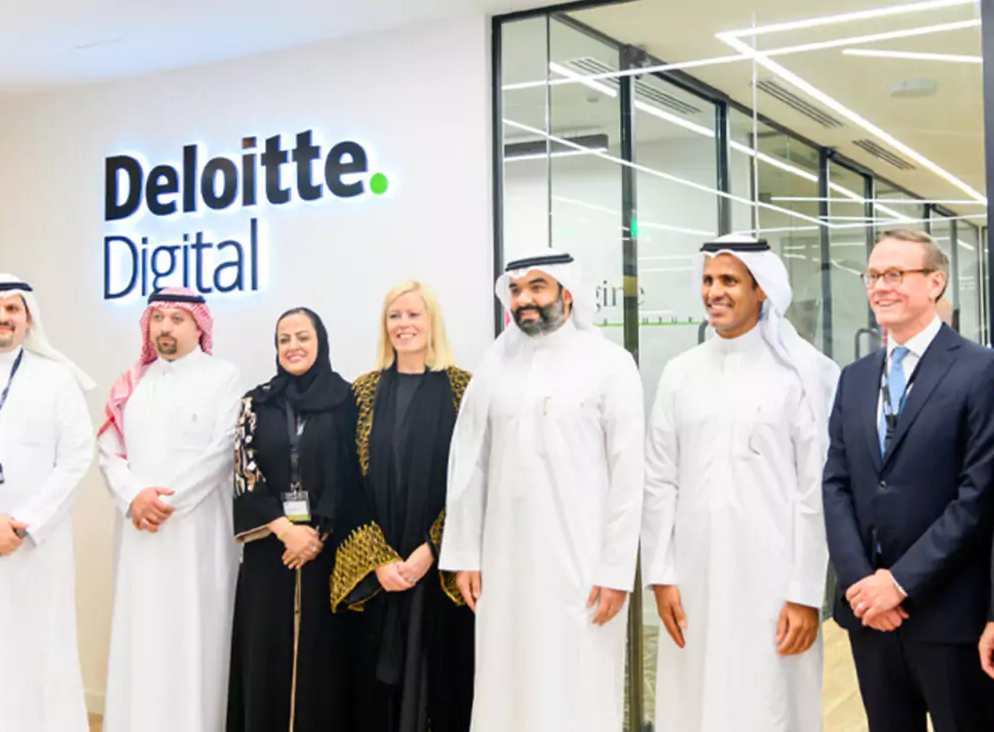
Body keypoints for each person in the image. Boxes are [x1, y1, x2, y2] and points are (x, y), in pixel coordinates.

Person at [438, 250, 645, 732]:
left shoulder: (610, 365)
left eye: (537, 287)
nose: (523, 300)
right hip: (505, 563)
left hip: (582, 564)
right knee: (505, 681)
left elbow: (628, 475)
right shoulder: (496, 365)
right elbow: (469, 464)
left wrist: (617, 571)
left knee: (578, 681)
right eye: (515, 290)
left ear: (567, 295)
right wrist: (465, 555)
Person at [643, 235, 839, 732]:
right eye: (708, 280)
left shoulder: (803, 373)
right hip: (693, 578)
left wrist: (805, 593)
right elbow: (659, 479)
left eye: (729, 280)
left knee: (768, 703)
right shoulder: (680, 373)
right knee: (693, 702)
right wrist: (661, 575)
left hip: (773, 582)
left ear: (761, 289)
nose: (714, 292)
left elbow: (815, 491)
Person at [823, 229, 994, 732]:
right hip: (870, 618)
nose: (881, 286)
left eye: (895, 274)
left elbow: (978, 496)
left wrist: (897, 584)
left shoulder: (980, 371)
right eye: (873, 276)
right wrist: (861, 584)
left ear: (935, 282)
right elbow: (836, 484)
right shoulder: (855, 377)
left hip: (950, 616)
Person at [331, 281, 474, 732]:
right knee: (375, 691)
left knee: (443, 684)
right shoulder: (362, 392)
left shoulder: (464, 389)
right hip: (382, 573)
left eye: (414, 314)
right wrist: (379, 561)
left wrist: (431, 549)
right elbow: (346, 482)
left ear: (432, 322)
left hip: (441, 568)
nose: (403, 324)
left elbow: (473, 480)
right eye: (395, 316)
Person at [98, 287, 243, 732]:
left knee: (196, 636)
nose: (165, 327)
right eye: (158, 318)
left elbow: (224, 450)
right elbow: (108, 449)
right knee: (141, 635)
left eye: (177, 318)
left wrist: (166, 502)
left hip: (198, 534)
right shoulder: (132, 382)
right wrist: (134, 497)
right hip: (140, 532)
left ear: (199, 326)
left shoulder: (224, 376)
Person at [0, 273, 95, 732]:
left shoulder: (57, 379)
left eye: (12, 308)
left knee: (40, 649)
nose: (2, 317)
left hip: (37, 547)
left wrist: (26, 523)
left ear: (28, 318)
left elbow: (77, 457)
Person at [228, 307, 358, 732]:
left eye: (303, 337)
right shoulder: (257, 402)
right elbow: (245, 472)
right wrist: (286, 531)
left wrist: (317, 534)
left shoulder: (346, 400)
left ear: (320, 342)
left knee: (326, 660)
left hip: (327, 552)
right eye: (284, 339)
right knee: (267, 653)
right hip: (271, 551)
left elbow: (351, 470)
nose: (293, 346)